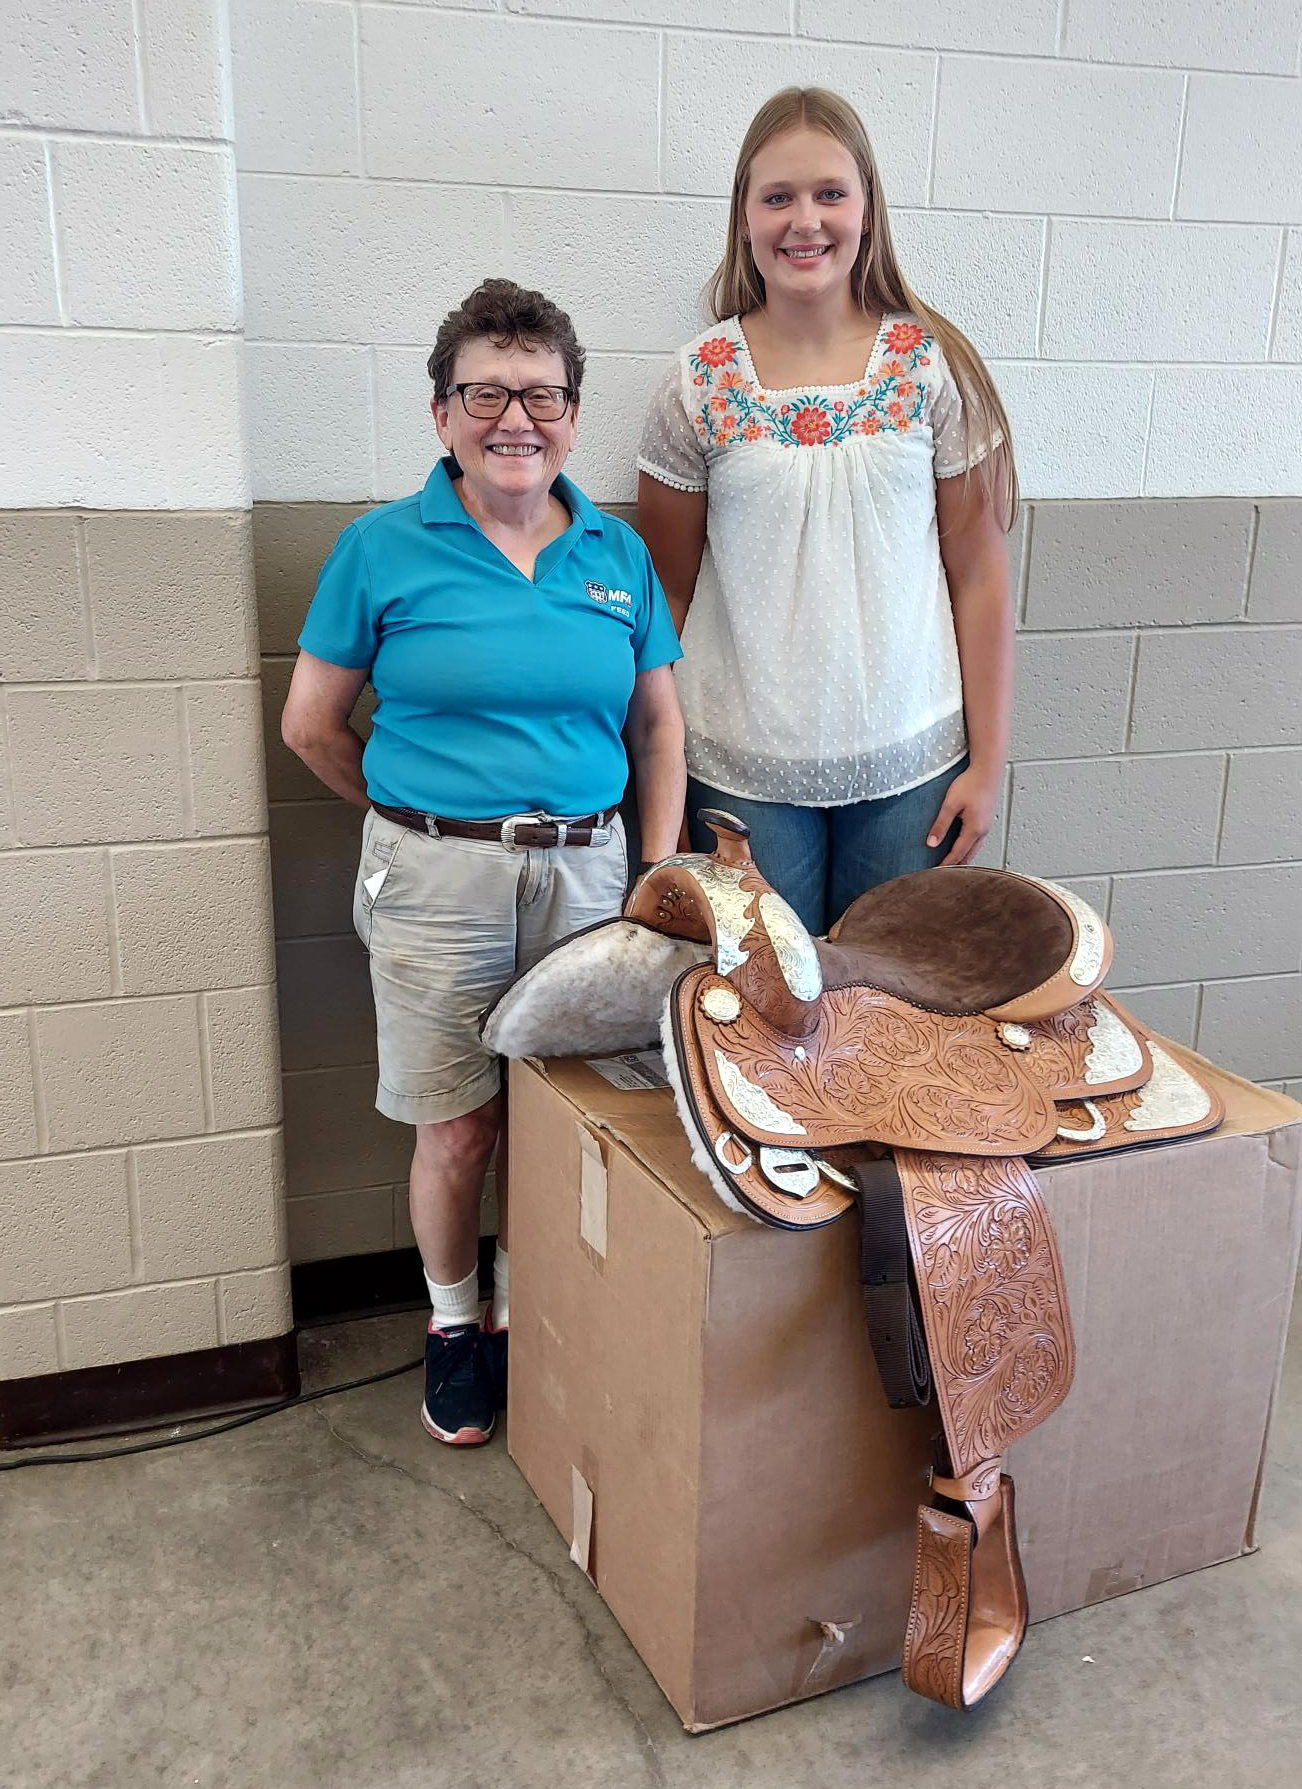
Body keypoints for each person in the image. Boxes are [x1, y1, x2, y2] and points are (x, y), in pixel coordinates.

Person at [282, 279, 685, 1447]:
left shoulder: (617, 553)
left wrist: (653, 879)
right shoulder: (379, 549)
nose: (517, 417)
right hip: (435, 883)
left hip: (592, 879)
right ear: (441, 411)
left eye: (543, 395)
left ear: (572, 411)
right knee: (458, 1125)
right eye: (487, 392)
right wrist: (414, 819)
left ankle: (539, 1303)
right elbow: (312, 725)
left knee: (572, 1114)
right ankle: (457, 1321)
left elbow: (658, 731)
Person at [637, 87, 1017, 934]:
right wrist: (655, 780)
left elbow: (981, 576)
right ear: (744, 217)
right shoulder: (698, 383)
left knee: (891, 1014)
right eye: (777, 197)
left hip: (914, 764)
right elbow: (665, 594)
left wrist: (986, 764)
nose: (804, 220)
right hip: (739, 770)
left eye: (829, 193)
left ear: (868, 208)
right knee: (767, 1022)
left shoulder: (930, 368)